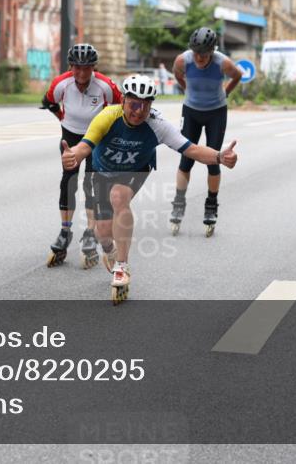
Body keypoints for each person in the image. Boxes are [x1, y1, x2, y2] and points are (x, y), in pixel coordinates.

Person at [61, 74, 238, 304]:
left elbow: (191, 149)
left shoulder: (157, 125)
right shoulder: (106, 117)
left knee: (119, 197)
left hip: (134, 171)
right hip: (102, 170)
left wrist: (219, 157)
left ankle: (122, 267)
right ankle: (110, 249)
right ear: (123, 101)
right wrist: (73, 155)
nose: (138, 111)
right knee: (102, 232)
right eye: (134, 104)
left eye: (145, 105)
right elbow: (85, 146)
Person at [40, 43, 121, 268]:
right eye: (77, 68)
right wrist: (62, 117)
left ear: (94, 67)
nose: (82, 73)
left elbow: (120, 109)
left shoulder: (105, 86)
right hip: (71, 138)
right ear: (71, 67)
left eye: (87, 68)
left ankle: (89, 232)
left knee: (92, 184)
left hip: (97, 139)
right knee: (68, 182)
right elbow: (48, 102)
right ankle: (65, 231)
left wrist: (110, 133)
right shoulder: (61, 83)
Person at [169, 27, 243, 237]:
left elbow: (237, 75)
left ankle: (211, 204)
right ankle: (179, 201)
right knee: (186, 159)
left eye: (204, 54)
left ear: (212, 51)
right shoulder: (183, 60)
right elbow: (177, 74)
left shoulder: (223, 63)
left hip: (216, 113)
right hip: (191, 111)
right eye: (196, 53)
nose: (199, 58)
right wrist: (187, 89)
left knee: (214, 159)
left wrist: (225, 92)